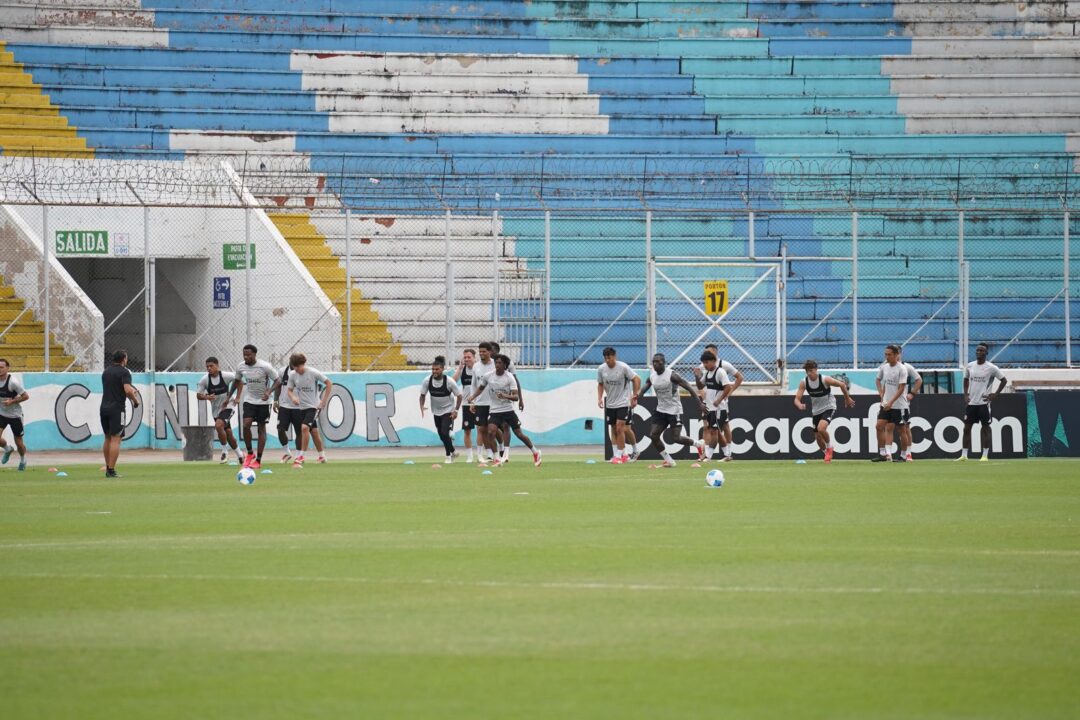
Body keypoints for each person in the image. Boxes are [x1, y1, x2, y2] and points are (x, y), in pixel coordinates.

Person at [467, 354, 541, 468]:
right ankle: (497, 459)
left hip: (508, 410)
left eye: (500, 363)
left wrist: (505, 395)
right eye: (496, 362)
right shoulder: (488, 376)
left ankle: (535, 452)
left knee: (519, 434)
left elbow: (515, 397)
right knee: (490, 431)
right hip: (495, 410)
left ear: (505, 365)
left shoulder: (509, 377)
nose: (497, 365)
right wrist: (473, 397)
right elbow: (480, 388)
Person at [637, 353, 705, 468]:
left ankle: (698, 444)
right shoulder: (653, 376)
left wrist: (699, 403)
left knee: (676, 438)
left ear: (663, 362)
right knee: (653, 435)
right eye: (654, 361)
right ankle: (669, 461)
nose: (655, 364)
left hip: (674, 410)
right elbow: (647, 385)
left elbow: (688, 387)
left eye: (658, 361)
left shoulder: (671, 375)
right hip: (661, 410)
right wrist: (638, 396)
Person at [794, 359, 855, 463]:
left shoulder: (824, 379)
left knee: (821, 428)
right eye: (807, 371)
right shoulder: (804, 382)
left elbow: (842, 384)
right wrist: (799, 404)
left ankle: (830, 447)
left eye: (811, 370)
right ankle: (826, 453)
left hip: (829, 406)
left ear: (816, 370)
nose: (809, 373)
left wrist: (847, 398)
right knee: (817, 437)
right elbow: (796, 398)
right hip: (816, 410)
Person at [230, 344, 278, 470]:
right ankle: (250, 453)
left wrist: (269, 392)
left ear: (255, 354)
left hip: (264, 402)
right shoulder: (240, 367)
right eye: (244, 354)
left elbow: (278, 381)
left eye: (248, 355)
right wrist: (229, 396)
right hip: (249, 400)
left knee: (261, 428)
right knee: (246, 425)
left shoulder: (265, 366)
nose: (246, 357)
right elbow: (236, 381)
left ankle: (258, 460)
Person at [957, 343, 1007, 462]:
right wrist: (965, 394)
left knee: (985, 428)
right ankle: (964, 455)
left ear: (986, 353)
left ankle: (984, 455)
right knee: (966, 428)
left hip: (984, 403)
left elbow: (1004, 380)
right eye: (978, 350)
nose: (979, 352)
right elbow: (965, 379)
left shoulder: (991, 368)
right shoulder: (970, 366)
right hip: (972, 403)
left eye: (982, 351)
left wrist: (995, 394)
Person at [693, 343, 744, 459]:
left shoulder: (722, 368)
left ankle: (709, 456)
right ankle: (725, 454)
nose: (704, 364)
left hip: (719, 405)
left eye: (709, 353)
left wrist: (725, 397)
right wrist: (697, 377)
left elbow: (734, 382)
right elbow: (701, 385)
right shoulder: (706, 370)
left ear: (715, 355)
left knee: (720, 428)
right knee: (710, 428)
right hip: (709, 404)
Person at [285, 352, 332, 468]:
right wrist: (293, 397)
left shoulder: (313, 372)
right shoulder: (292, 375)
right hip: (302, 408)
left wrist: (323, 401)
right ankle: (322, 456)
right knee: (314, 433)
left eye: (298, 366)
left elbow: (329, 383)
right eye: (294, 367)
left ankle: (301, 456)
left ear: (303, 364)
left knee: (304, 428)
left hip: (314, 407)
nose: (296, 369)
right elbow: (289, 390)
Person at [597, 347, 641, 464]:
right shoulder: (601, 369)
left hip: (624, 402)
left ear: (614, 356)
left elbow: (637, 379)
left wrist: (635, 396)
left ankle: (622, 454)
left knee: (621, 428)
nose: (607, 360)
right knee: (614, 429)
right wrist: (600, 398)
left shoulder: (623, 367)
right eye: (605, 358)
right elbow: (600, 384)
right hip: (610, 403)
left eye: (609, 357)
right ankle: (622, 455)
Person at [196, 357, 243, 464]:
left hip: (228, 406)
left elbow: (239, 382)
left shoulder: (226, 376)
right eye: (207, 366)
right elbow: (198, 395)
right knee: (228, 433)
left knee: (218, 426)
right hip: (216, 410)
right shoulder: (205, 379)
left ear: (217, 365)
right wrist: (206, 397)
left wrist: (238, 397)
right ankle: (240, 454)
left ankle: (224, 452)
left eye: (211, 366)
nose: (209, 368)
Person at [100, 349, 139, 478]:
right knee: (116, 439)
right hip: (117, 409)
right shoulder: (125, 372)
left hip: (104, 407)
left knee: (107, 438)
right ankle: (111, 470)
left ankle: (107, 467)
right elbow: (127, 390)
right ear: (123, 359)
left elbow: (114, 388)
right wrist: (135, 401)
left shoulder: (106, 372)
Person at [420, 355, 463, 463]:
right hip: (436, 411)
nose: (434, 371)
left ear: (442, 369)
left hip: (448, 410)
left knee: (444, 433)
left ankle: (448, 456)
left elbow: (459, 396)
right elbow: (422, 395)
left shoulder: (449, 381)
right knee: (441, 435)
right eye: (433, 369)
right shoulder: (427, 381)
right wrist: (421, 406)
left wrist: (456, 410)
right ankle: (453, 451)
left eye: (437, 369)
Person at [489, 341, 524, 462]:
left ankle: (505, 453)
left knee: (505, 426)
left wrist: (520, 400)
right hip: (490, 402)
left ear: (497, 351)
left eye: (491, 350)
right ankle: (496, 451)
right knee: (490, 428)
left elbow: (516, 381)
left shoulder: (507, 364)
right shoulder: (485, 364)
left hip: (505, 402)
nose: (489, 352)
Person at [874, 344, 909, 462]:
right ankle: (883, 454)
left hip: (899, 406)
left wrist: (891, 402)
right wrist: (881, 395)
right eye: (885, 354)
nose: (887, 357)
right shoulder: (884, 367)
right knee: (879, 426)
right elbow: (878, 380)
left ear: (896, 355)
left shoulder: (902, 369)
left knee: (901, 430)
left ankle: (904, 455)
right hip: (886, 404)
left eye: (889, 354)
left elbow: (901, 388)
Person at [0, 358, 30, 471]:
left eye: (2, 367)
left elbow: (26, 396)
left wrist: (11, 401)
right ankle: (7, 449)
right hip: (1, 414)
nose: (0, 369)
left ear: (7, 368)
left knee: (19, 443)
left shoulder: (13, 382)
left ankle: (22, 459)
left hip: (15, 416)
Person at [894, 353, 922, 462]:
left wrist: (912, 393)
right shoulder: (886, 367)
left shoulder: (907, 367)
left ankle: (908, 453)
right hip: (890, 403)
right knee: (888, 427)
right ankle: (887, 453)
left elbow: (919, 380)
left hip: (902, 403)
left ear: (899, 354)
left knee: (905, 427)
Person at [471, 341, 497, 462]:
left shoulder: (495, 364)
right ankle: (483, 454)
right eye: (480, 351)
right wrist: (472, 401)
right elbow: (474, 385)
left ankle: (500, 449)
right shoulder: (476, 366)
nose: (481, 353)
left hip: (494, 403)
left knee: (495, 429)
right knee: (482, 429)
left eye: (484, 351)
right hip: (481, 402)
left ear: (490, 352)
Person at [453, 348, 477, 462]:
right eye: (465, 357)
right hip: (467, 404)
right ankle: (470, 456)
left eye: (469, 357)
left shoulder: (479, 368)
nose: (467, 359)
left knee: (484, 429)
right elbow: (453, 382)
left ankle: (488, 454)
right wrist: (460, 368)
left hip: (480, 403)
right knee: (467, 430)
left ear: (474, 357)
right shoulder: (462, 369)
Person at [274, 360, 298, 464]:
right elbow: (278, 386)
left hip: (299, 407)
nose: (294, 365)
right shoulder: (282, 371)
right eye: (292, 363)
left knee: (299, 432)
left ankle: (298, 456)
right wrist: (275, 400)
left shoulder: (304, 373)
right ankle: (287, 452)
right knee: (280, 429)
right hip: (284, 406)